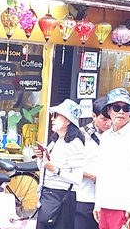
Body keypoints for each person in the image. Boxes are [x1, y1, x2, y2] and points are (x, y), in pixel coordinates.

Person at [94, 88, 130, 229]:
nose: (121, 112)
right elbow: (102, 172)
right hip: (105, 205)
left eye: (125, 108)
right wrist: (98, 202)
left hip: (125, 208)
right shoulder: (106, 137)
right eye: (117, 107)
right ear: (109, 111)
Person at [35, 98, 85, 229]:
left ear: (68, 120)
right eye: (53, 115)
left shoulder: (75, 144)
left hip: (62, 197)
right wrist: (41, 158)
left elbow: (77, 178)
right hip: (47, 194)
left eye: (57, 116)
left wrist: (56, 170)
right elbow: (43, 168)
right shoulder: (55, 141)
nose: (52, 119)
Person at [76, 97, 112, 229]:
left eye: (110, 119)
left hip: (108, 200)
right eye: (104, 119)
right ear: (94, 116)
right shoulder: (80, 134)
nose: (108, 123)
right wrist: (89, 174)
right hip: (84, 196)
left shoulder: (117, 136)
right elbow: (69, 166)